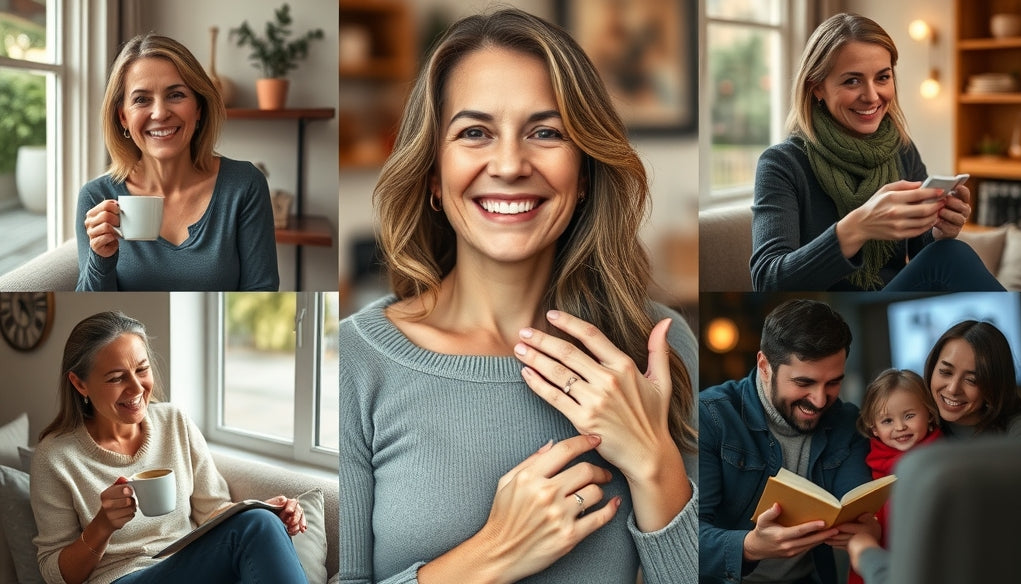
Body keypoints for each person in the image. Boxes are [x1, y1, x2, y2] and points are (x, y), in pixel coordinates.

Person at [338, 8, 698, 584]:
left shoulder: (657, 348)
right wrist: (497, 551)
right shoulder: (357, 360)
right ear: (433, 171)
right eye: (474, 132)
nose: (508, 165)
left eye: (546, 132)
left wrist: (656, 467)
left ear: (584, 172)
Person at [30, 311, 305, 584]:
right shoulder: (55, 457)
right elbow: (56, 574)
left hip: (189, 565)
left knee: (261, 523)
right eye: (116, 378)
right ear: (80, 384)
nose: (136, 388)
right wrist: (102, 526)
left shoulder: (174, 421)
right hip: (120, 577)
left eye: (141, 369)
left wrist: (261, 511)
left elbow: (213, 510)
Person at [750, 13, 1003, 291]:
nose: (872, 96)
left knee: (951, 251)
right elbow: (767, 281)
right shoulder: (782, 164)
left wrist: (939, 233)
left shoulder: (902, 150)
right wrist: (857, 227)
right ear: (817, 87)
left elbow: (926, 259)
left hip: (891, 296)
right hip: (826, 307)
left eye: (882, 77)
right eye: (852, 81)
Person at [75, 33, 279, 291]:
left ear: (199, 108)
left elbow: (262, 292)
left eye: (176, 95)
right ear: (123, 117)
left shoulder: (244, 185)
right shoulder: (96, 197)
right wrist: (100, 259)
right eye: (141, 99)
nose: (160, 113)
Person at [699, 298, 879, 584]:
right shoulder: (711, 416)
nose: (820, 400)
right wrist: (748, 547)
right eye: (804, 383)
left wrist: (867, 526)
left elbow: (853, 506)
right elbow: (685, 538)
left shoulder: (846, 421)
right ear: (764, 366)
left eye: (833, 382)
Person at [848, 319, 1021, 582]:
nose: (952, 388)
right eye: (945, 372)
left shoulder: (1013, 434)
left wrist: (864, 551)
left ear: (993, 384)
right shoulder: (911, 428)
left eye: (972, 379)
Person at [846, 369, 942, 584]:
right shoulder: (867, 466)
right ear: (874, 428)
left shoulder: (943, 460)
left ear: (929, 414)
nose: (900, 427)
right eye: (887, 421)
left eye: (909, 416)